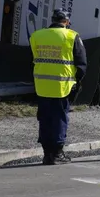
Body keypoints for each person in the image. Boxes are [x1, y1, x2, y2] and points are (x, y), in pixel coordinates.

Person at [29, 9, 88, 165]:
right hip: (62, 86)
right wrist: (78, 81)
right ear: (67, 22)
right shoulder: (71, 36)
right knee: (59, 119)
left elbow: (35, 58)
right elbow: (81, 63)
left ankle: (47, 154)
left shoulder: (37, 35)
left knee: (45, 119)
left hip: (41, 86)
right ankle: (57, 154)